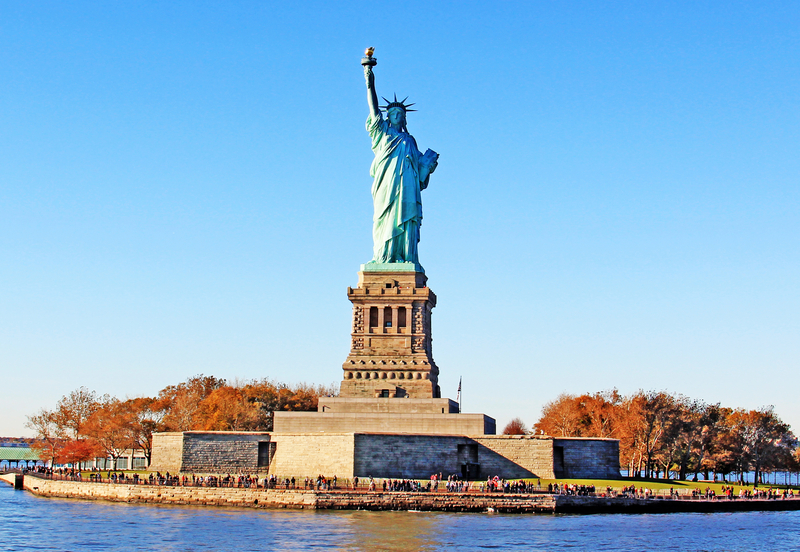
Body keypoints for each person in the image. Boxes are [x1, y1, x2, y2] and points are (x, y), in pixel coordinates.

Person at [363, 61, 438, 267]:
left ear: (404, 119)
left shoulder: (410, 141)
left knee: (407, 221)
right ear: (388, 116)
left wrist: (427, 166)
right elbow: (373, 107)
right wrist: (369, 81)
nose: (396, 116)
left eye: (400, 115)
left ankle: (407, 257)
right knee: (384, 219)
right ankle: (383, 257)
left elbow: (420, 174)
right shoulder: (382, 133)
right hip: (387, 185)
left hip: (407, 188)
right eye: (393, 114)